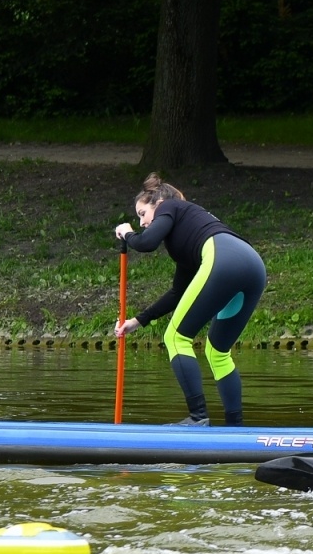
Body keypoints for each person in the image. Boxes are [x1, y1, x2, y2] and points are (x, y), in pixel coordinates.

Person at [113, 174, 267, 426]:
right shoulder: (187, 234)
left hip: (225, 258)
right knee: (217, 351)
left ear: (159, 202)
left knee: (175, 337)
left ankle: (198, 417)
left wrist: (127, 233)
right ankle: (235, 429)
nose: (141, 222)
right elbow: (177, 293)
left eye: (142, 213)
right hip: (253, 266)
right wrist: (138, 321)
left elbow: (146, 243)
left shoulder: (169, 206)